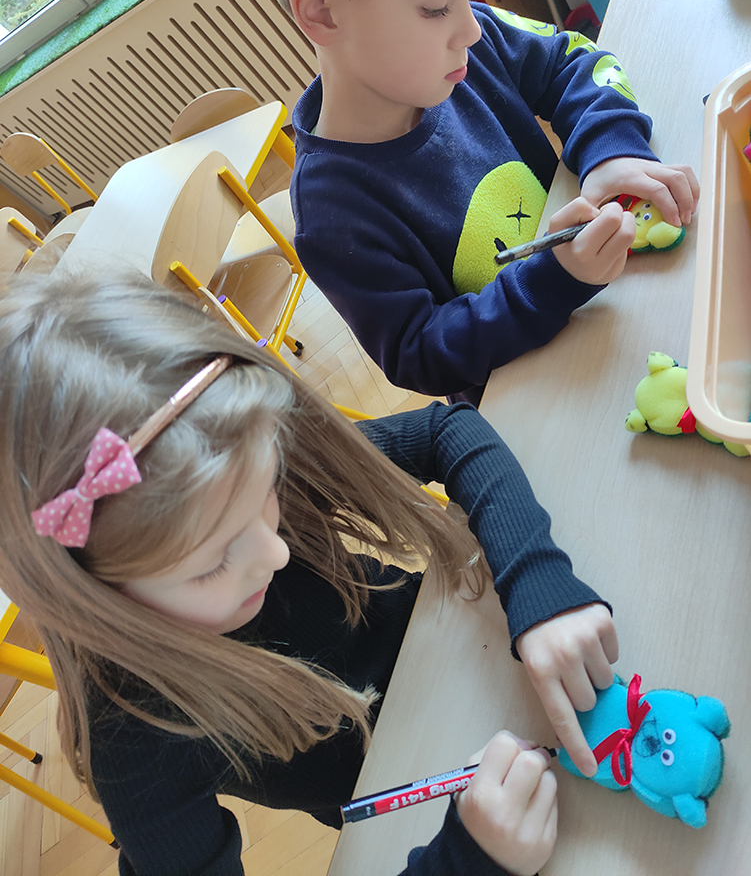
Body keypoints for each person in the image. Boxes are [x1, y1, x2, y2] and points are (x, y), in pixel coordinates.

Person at [0, 271, 617, 876]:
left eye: (267, 489)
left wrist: (539, 586)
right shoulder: (136, 746)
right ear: (96, 596)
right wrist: (467, 861)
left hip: (475, 658)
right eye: (214, 562)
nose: (275, 554)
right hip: (415, 803)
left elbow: (446, 432)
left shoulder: (227, 458)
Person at [250, 0, 700, 405]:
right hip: (533, 398)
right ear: (322, 11)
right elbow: (420, 353)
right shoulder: (331, 214)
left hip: (616, 315)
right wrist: (552, 281)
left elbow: (573, 59)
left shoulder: (469, 42)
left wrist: (610, 149)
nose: (471, 29)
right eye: (436, 6)